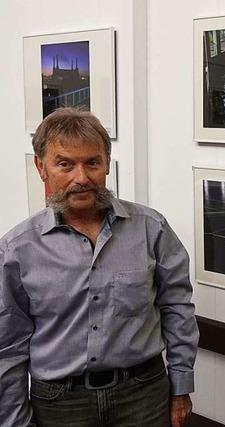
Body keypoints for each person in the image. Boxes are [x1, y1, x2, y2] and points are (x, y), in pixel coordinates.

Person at [0, 108, 199, 427]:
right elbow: (7, 346)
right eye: (65, 164)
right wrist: (13, 421)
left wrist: (180, 389)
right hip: (60, 404)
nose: (81, 178)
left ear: (106, 162)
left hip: (143, 395)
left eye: (92, 162)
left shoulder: (151, 229)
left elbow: (177, 309)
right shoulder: (17, 249)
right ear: (41, 167)